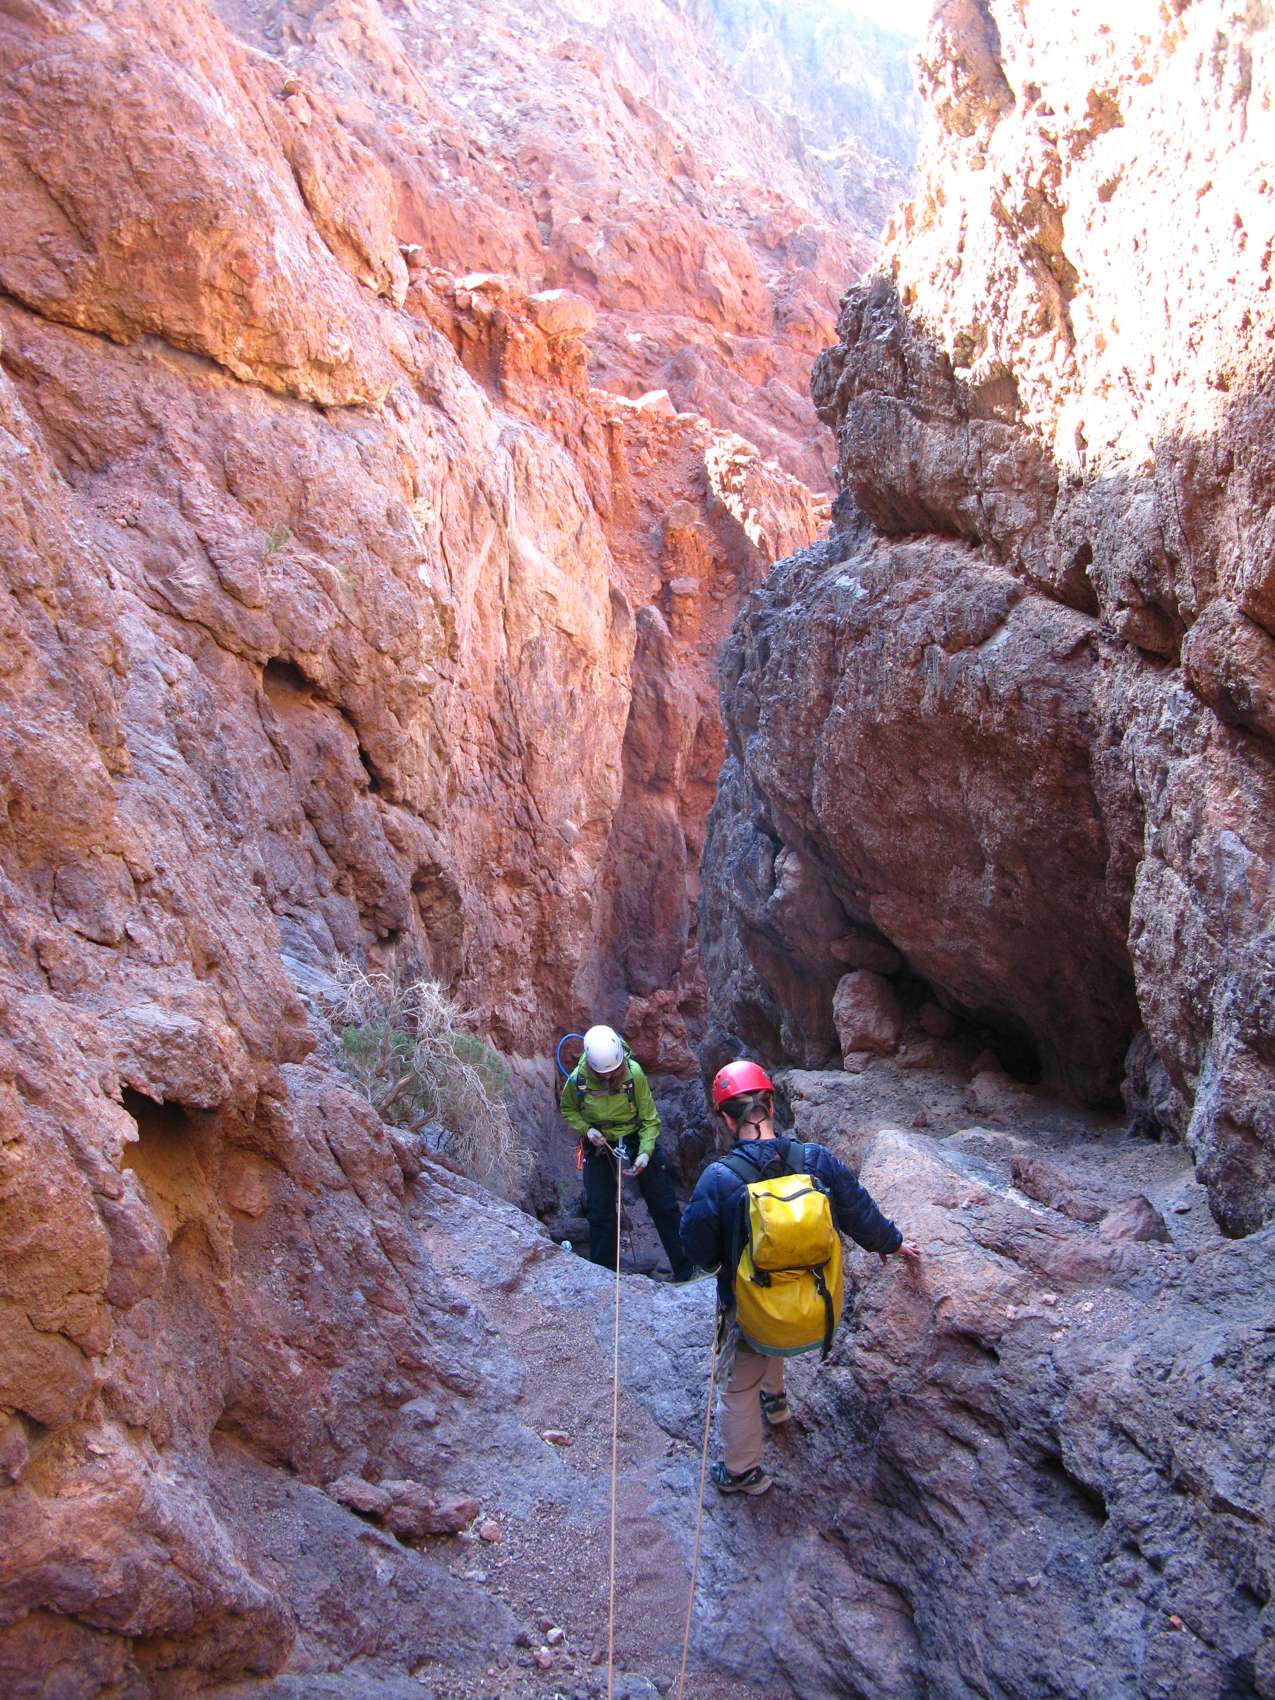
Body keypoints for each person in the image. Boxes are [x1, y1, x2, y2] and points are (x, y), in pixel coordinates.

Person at [679, 1058, 920, 1495]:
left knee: (737, 1386)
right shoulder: (816, 1161)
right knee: (775, 1305)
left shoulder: (720, 1179)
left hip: (756, 1315)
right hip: (814, 1310)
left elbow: (697, 1250)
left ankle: (742, 1472)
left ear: (727, 1120)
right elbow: (859, 1212)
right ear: (772, 1106)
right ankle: (776, 1403)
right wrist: (893, 1243)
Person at [560, 1024, 695, 1283]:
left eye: (614, 1070)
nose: (611, 1076)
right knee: (600, 1210)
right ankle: (604, 1274)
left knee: (663, 1202)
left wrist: (645, 1152)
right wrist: (588, 1130)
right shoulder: (578, 1080)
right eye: (605, 1073)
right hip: (599, 1141)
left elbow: (649, 1119)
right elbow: (568, 1109)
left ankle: (685, 1269)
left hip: (634, 1134)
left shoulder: (634, 1074)